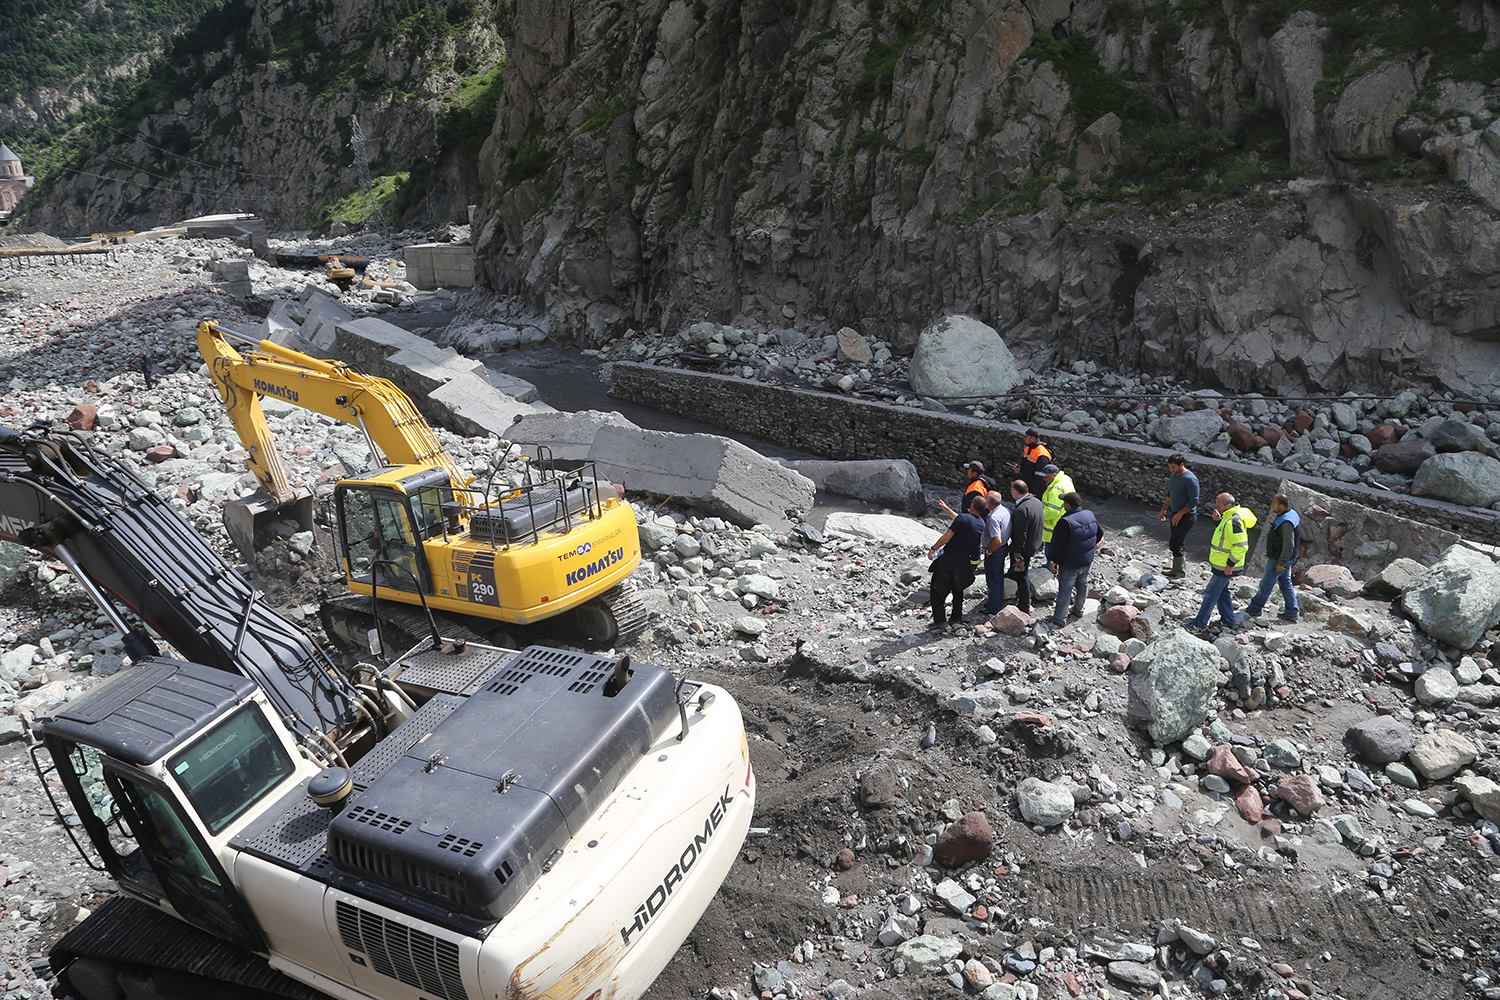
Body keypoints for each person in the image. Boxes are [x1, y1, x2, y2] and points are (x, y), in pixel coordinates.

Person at [1189, 492, 1258, 632]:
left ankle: (1199, 624)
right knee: (1222, 592)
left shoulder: (1234, 521)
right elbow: (1225, 537)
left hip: (1226, 566)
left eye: (1219, 506)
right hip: (1222, 565)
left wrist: (1230, 565)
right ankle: (1229, 619)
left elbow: (1241, 546)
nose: (1217, 508)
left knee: (1210, 593)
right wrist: (1217, 521)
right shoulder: (1227, 518)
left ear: (1228, 505)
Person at [927, 492, 985, 629]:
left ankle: (940, 621)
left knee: (936, 589)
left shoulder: (963, 519)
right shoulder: (981, 523)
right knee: (958, 589)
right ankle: (956, 618)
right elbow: (962, 520)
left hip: (948, 560)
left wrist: (933, 548)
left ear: (971, 505)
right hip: (964, 562)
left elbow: (947, 536)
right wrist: (947, 509)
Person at [1044, 492, 1103, 626]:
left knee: (1065, 589)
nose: (1063, 504)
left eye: (1064, 502)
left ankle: (1059, 619)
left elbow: (1058, 545)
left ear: (1068, 505)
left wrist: (1054, 561)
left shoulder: (1065, 522)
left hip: (1070, 564)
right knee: (1082, 585)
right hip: (1087, 560)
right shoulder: (1089, 514)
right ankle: (1078, 610)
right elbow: (1100, 534)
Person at [1246, 494, 1301, 623]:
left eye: (1274, 504)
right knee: (1285, 583)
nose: (1271, 506)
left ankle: (1255, 608)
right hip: (1287, 558)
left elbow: (1288, 545)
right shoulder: (1292, 514)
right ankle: (1292, 612)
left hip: (1279, 559)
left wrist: (1281, 562)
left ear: (1281, 506)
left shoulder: (1286, 522)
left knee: (1266, 584)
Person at [1157, 453, 1200, 579]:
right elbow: (1170, 495)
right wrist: (1164, 509)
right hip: (1175, 513)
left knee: (1176, 542)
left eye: (1174, 467)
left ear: (1182, 465)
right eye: (1170, 467)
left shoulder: (1190, 479)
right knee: (1175, 542)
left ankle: (1180, 572)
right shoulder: (1174, 476)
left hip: (1186, 516)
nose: (1171, 470)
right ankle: (1176, 569)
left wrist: (1180, 514)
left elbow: (1194, 501)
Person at [1006, 480, 1044, 614]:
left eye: (1011, 490)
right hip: (1035, 544)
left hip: (1023, 550)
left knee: (1022, 575)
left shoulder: (1021, 510)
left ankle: (1024, 606)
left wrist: (1016, 553)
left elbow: (1020, 535)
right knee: (1018, 573)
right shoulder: (1036, 502)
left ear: (1016, 491)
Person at [980, 489, 1012, 615]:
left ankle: (993, 607)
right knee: (998, 577)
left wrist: (988, 551)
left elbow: (997, 540)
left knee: (993, 579)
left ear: (989, 503)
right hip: (1004, 548)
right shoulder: (1005, 510)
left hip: (995, 550)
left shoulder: (993, 517)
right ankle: (997, 602)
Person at [1039, 464, 1075, 546]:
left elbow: (1052, 512)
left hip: (1053, 527)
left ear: (1054, 474)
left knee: (1051, 552)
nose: (1043, 478)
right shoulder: (1065, 479)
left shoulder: (1056, 488)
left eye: (1046, 476)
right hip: (1065, 521)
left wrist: (1038, 517)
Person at [1012, 429, 1054, 497]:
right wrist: (1018, 467)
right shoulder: (1028, 448)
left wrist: (1033, 492)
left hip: (1034, 490)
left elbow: (1041, 477)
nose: (1024, 438)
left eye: (1026, 437)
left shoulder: (1042, 454)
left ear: (1033, 439)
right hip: (1027, 485)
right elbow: (1024, 462)